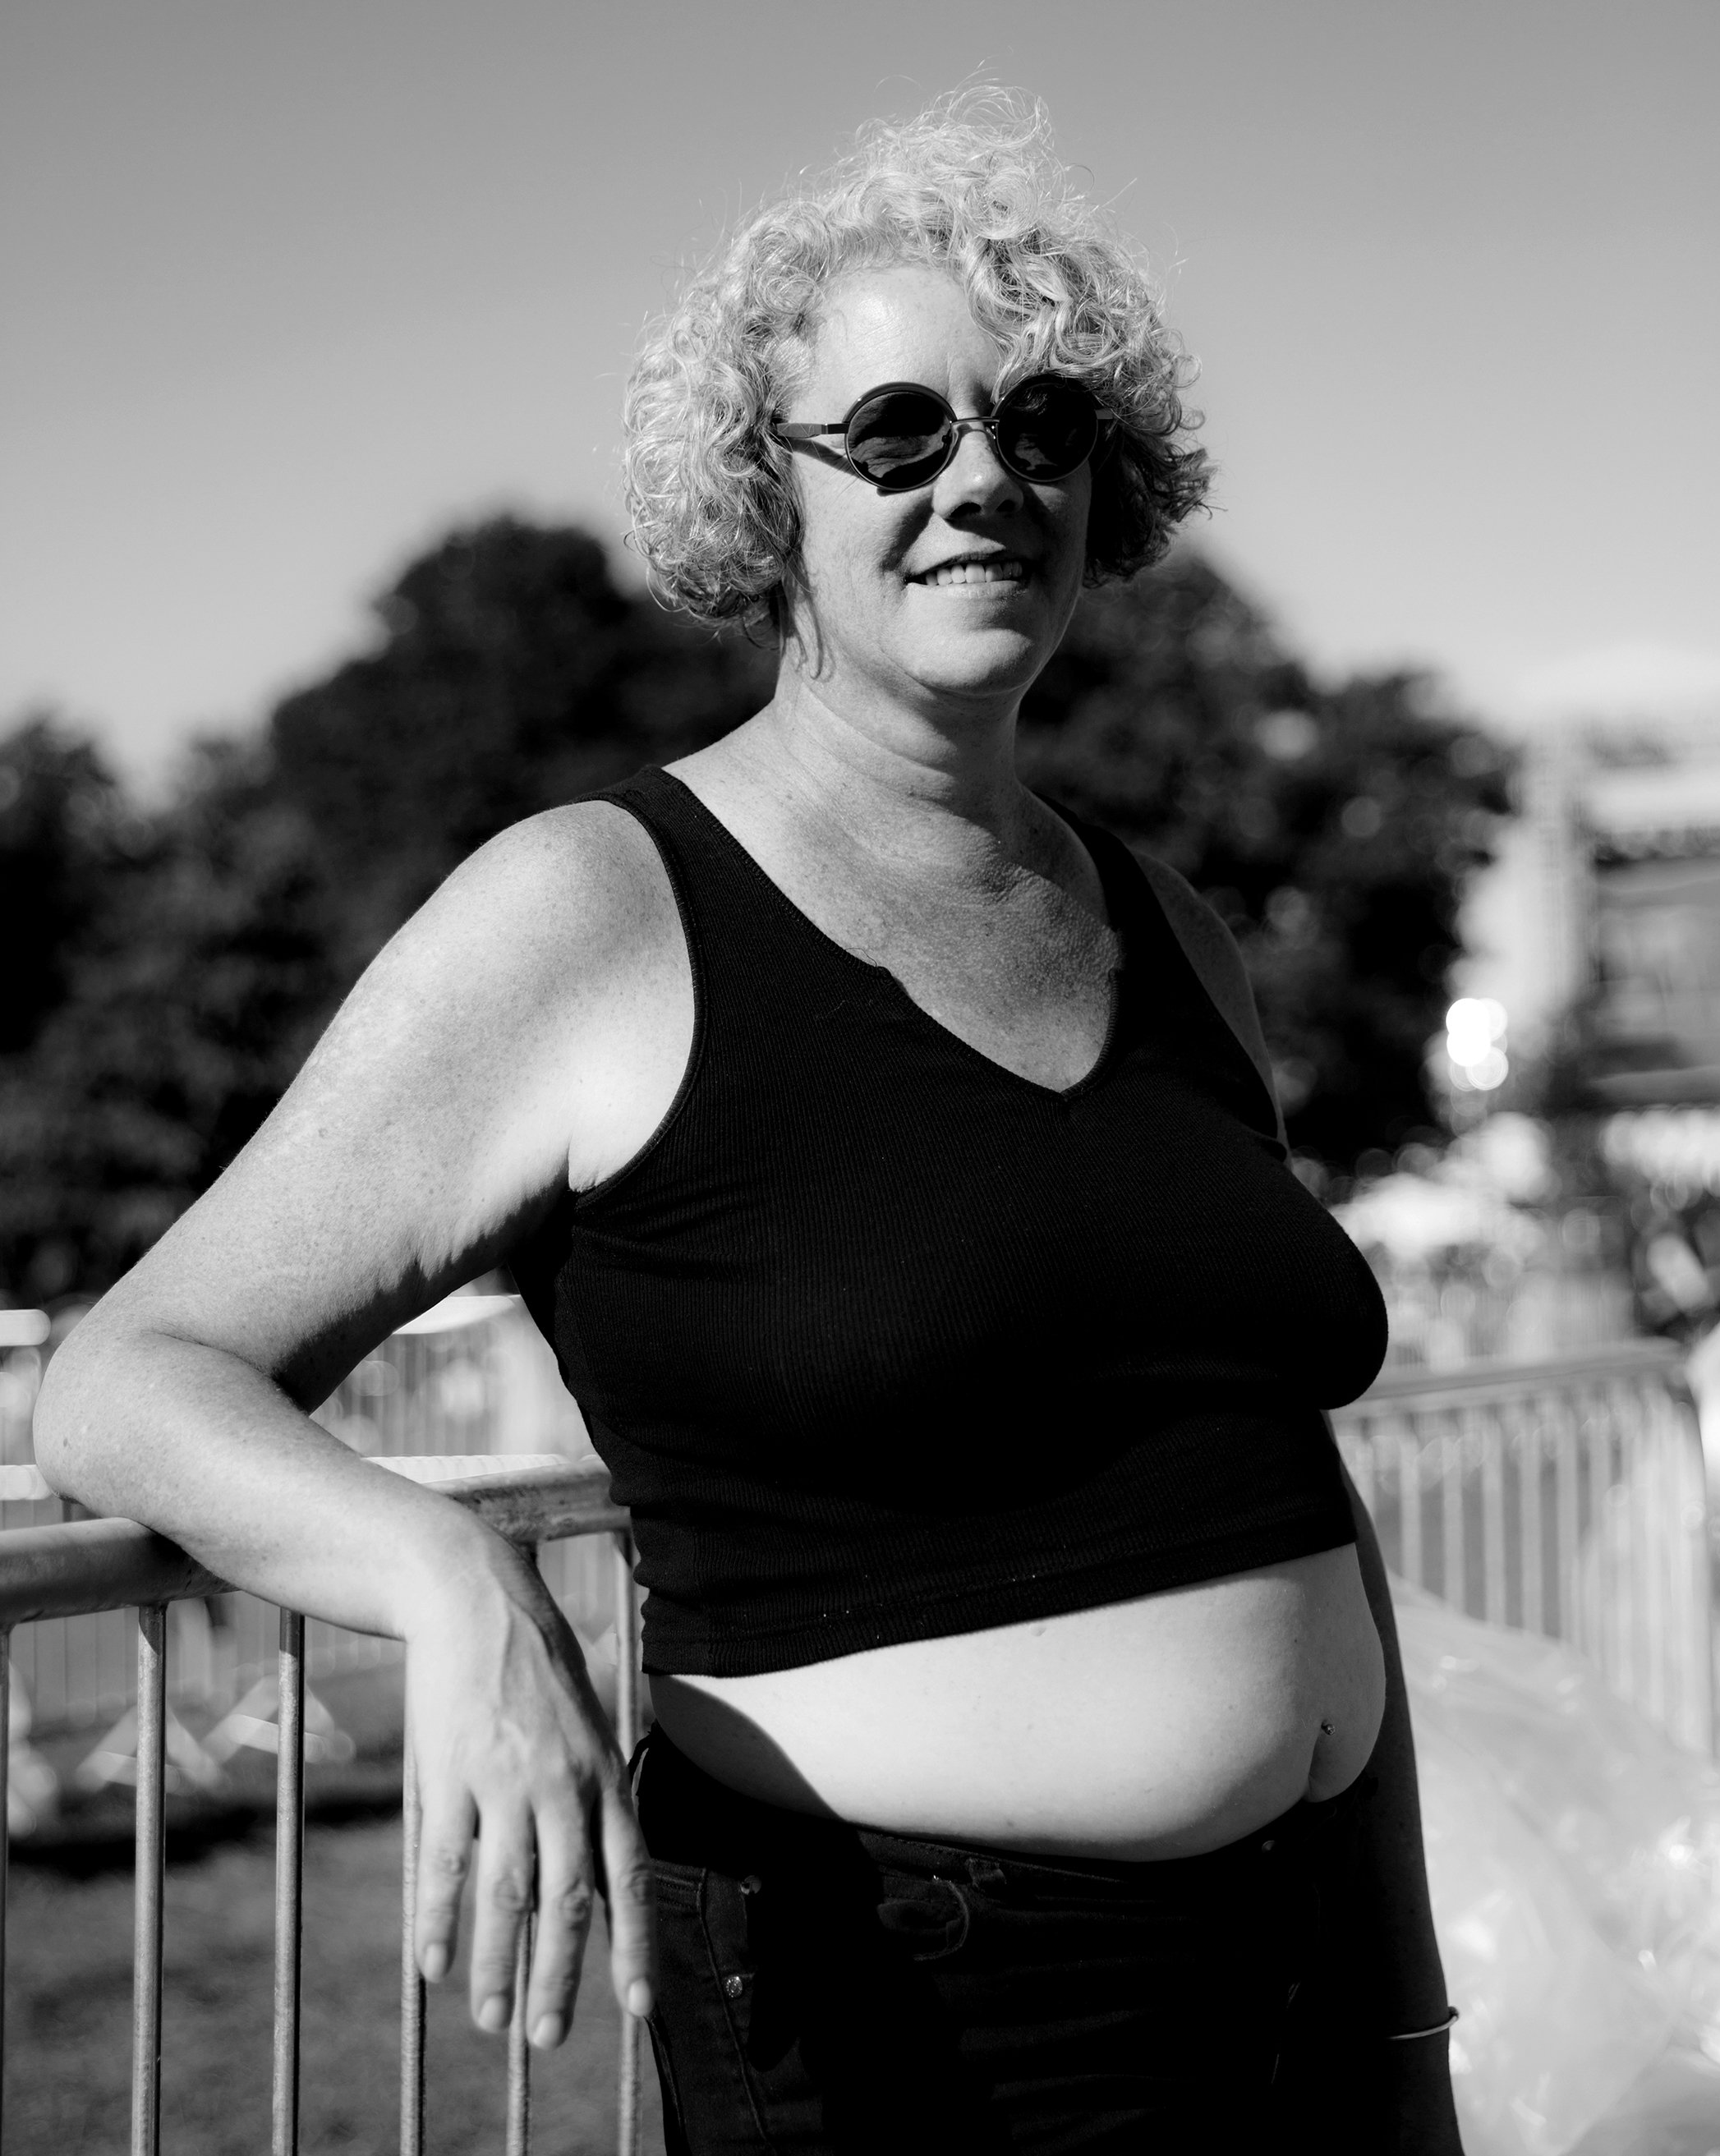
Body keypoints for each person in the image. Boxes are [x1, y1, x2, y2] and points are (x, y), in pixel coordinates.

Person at [36, 90, 1462, 2153]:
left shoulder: (1166, 924)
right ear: (763, 498)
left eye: (1044, 424)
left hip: (1305, 1983)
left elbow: (1285, 1488)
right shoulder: (595, 908)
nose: (984, 476)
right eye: (897, 432)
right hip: (930, 2022)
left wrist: (1404, 2019)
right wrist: (442, 1579)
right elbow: (130, 1376)